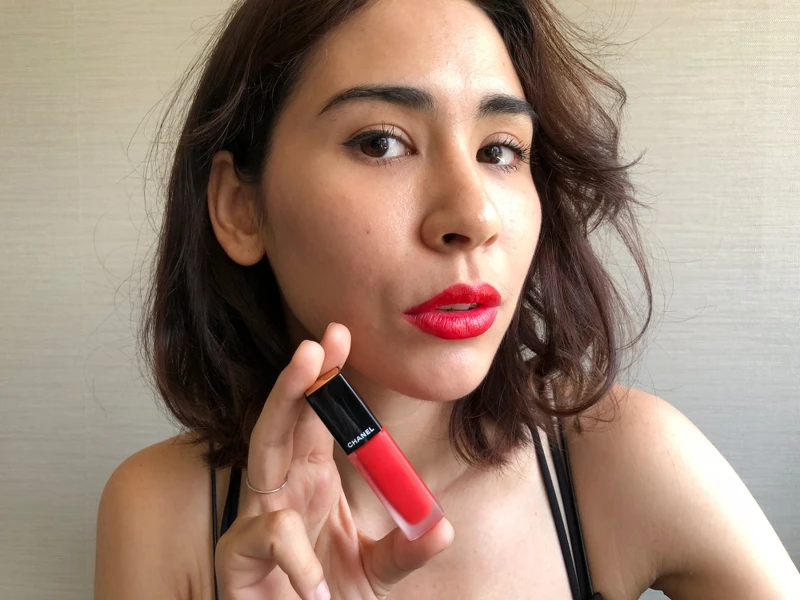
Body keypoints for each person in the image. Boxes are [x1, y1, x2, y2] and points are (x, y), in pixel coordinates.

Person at [93, 0, 800, 598]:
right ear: (241, 208)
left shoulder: (624, 459)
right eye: (381, 143)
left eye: (500, 151)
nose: (473, 214)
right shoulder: (161, 511)